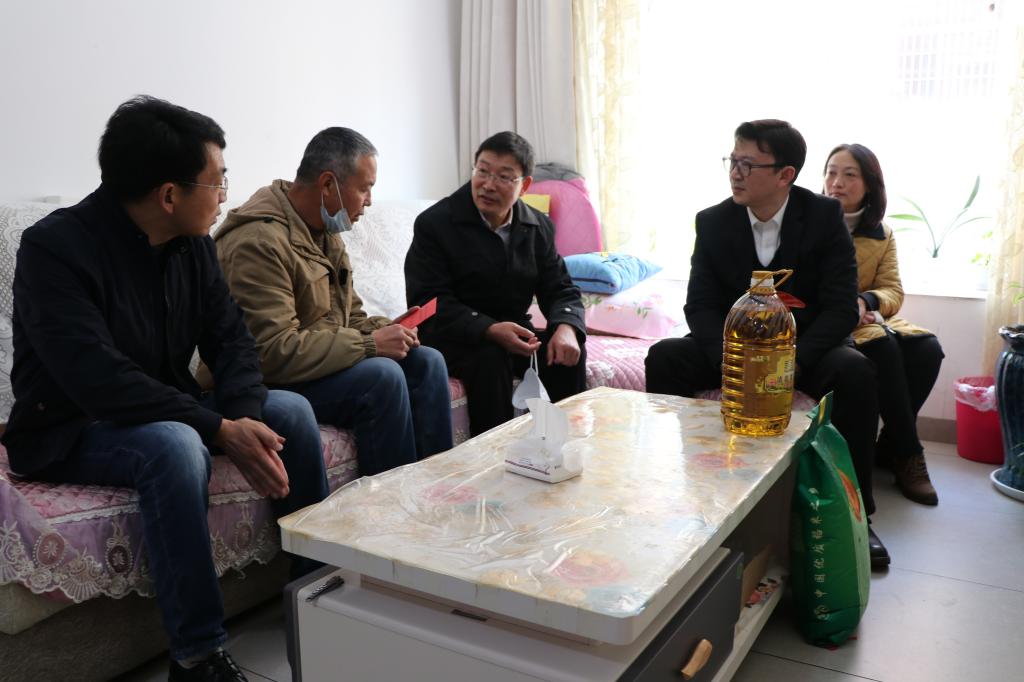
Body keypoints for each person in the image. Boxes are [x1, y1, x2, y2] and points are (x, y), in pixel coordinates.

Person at [2, 96, 329, 681]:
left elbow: (232, 341)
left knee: (292, 412)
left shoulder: (194, 244)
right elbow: (98, 379)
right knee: (176, 446)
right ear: (169, 195)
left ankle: (315, 601)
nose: (225, 195)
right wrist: (217, 428)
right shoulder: (55, 248)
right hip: (72, 425)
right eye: (218, 181)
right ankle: (197, 656)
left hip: (167, 406)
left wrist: (244, 416)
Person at [645, 119, 891, 569]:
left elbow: (840, 307)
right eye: (732, 162)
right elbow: (700, 305)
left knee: (855, 372)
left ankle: (858, 514)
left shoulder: (823, 217)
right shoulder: (713, 221)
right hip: (733, 350)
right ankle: (685, 494)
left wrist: (789, 364)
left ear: (785, 174)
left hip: (804, 350)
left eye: (748, 165)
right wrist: (732, 362)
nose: (735, 174)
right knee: (665, 357)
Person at [207, 127, 453, 475]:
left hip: (318, 365)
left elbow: (350, 315)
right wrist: (369, 344)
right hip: (271, 381)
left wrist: (389, 329)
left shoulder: (324, 230)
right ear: (327, 184)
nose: (369, 201)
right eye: (365, 188)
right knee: (381, 377)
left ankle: (437, 488)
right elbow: (271, 352)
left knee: (426, 361)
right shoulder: (258, 242)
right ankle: (387, 504)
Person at [404, 131, 587, 436]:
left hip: (512, 330)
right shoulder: (435, 223)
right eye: (483, 171)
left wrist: (567, 326)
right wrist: (488, 329)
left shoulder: (537, 226)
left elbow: (560, 288)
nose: (488, 184)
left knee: (566, 353)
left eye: (503, 176)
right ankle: (492, 456)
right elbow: (429, 301)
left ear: (524, 185)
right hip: (453, 336)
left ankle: (562, 445)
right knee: (490, 357)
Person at [823, 143, 944, 505]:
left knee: (928, 349)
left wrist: (867, 301)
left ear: (870, 185)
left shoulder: (882, 233)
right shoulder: (812, 223)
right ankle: (909, 454)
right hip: (831, 323)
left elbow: (892, 289)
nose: (836, 182)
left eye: (849, 175)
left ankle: (890, 445)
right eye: (831, 172)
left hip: (867, 318)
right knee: (884, 347)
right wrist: (846, 307)